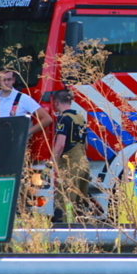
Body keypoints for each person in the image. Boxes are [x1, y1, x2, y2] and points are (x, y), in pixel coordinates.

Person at [0, 69, 52, 141]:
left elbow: (47, 119)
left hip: (16, 143)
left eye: (9, 79)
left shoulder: (23, 98)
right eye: (3, 80)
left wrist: (27, 132)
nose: (6, 83)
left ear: (13, 80)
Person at [51, 89, 88, 223]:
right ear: (70, 101)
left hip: (70, 164)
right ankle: (83, 233)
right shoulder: (80, 118)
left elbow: (60, 144)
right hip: (84, 162)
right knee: (81, 201)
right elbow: (86, 144)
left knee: (66, 199)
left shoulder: (63, 119)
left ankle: (68, 232)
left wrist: (52, 162)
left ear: (56, 103)